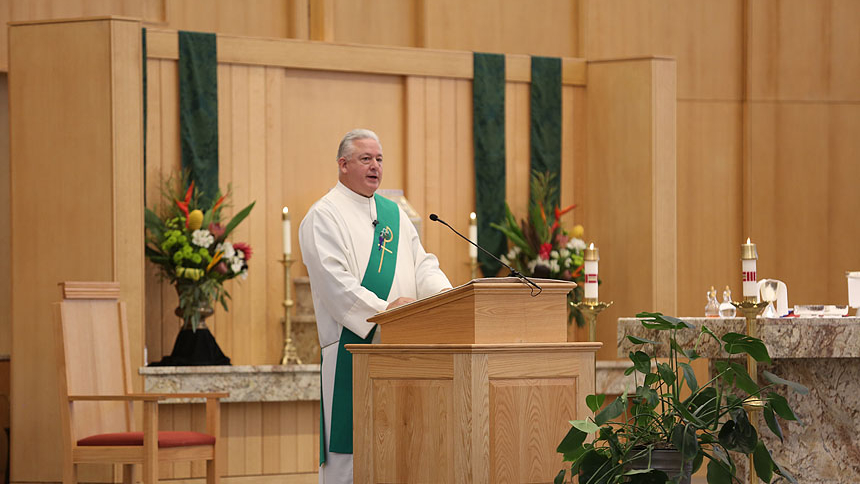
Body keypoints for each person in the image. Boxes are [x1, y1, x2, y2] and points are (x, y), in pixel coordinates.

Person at [299, 129, 452, 483]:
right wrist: (387, 313)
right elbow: (336, 285)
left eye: (379, 159)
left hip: (403, 350)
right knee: (351, 462)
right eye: (365, 159)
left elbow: (422, 264)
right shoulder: (323, 216)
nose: (375, 166)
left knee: (402, 454)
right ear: (342, 165)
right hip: (354, 349)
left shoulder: (393, 214)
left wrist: (445, 298)